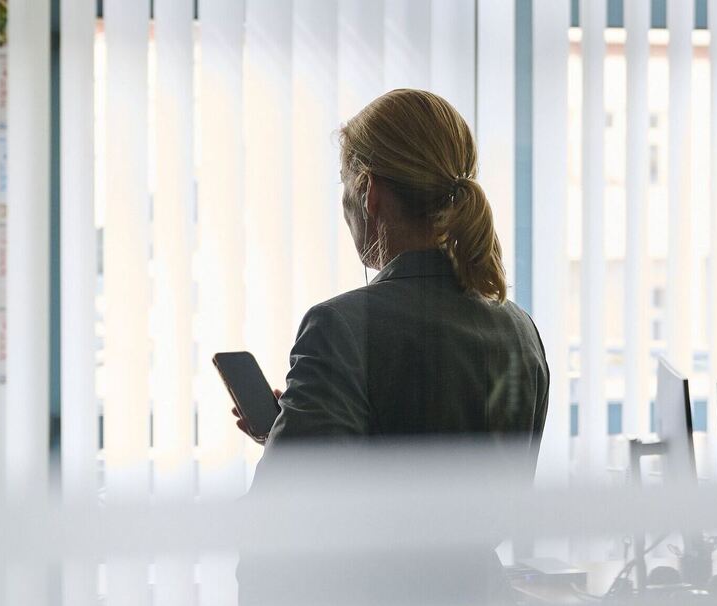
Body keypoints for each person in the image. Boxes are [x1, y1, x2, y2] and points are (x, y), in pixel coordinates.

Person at [234, 89, 550, 605]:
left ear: (369, 190)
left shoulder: (339, 327)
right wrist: (289, 435)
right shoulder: (520, 330)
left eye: (344, 184)